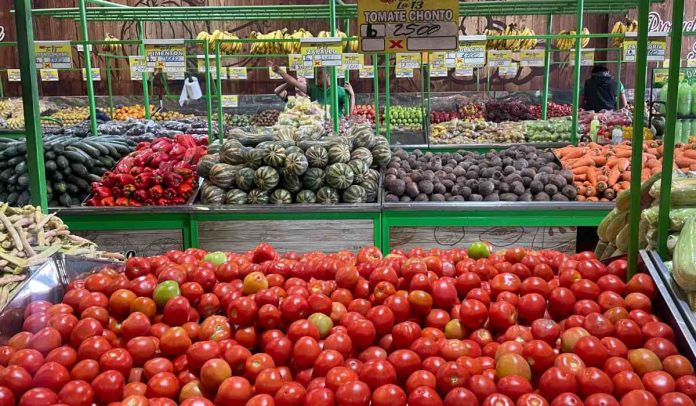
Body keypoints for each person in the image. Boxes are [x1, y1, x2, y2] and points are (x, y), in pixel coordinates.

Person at [270, 64, 355, 115]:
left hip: (336, 125)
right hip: (318, 126)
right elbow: (293, 82)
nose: (316, 79)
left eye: (319, 77)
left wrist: (352, 94)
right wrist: (279, 71)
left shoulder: (340, 91)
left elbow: (349, 112)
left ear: (328, 76)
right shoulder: (313, 89)